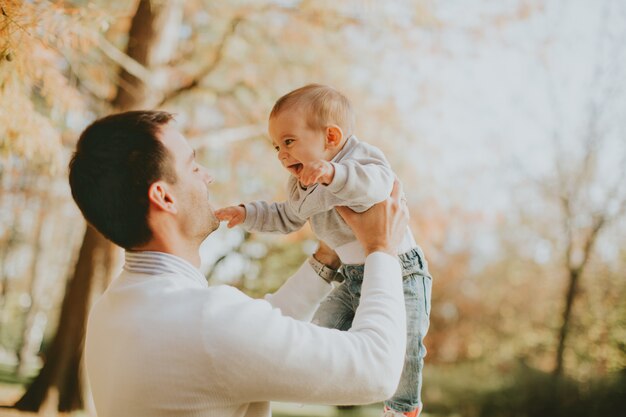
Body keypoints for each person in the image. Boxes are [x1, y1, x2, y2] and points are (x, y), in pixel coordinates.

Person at [68, 110, 410, 417]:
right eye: (193, 166)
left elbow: (250, 339)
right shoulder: (207, 323)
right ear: (164, 197)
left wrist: (326, 257)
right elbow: (376, 370)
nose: (208, 176)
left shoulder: (110, 310)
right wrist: (381, 248)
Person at [216, 84, 432, 417]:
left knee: (407, 342)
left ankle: (403, 407)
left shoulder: (359, 159)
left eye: (289, 142)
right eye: (276, 147)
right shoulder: (302, 184)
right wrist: (247, 213)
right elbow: (287, 216)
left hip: (401, 271)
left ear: (331, 137)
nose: (282, 155)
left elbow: (377, 185)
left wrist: (334, 173)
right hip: (352, 275)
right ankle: (308, 383)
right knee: (320, 327)